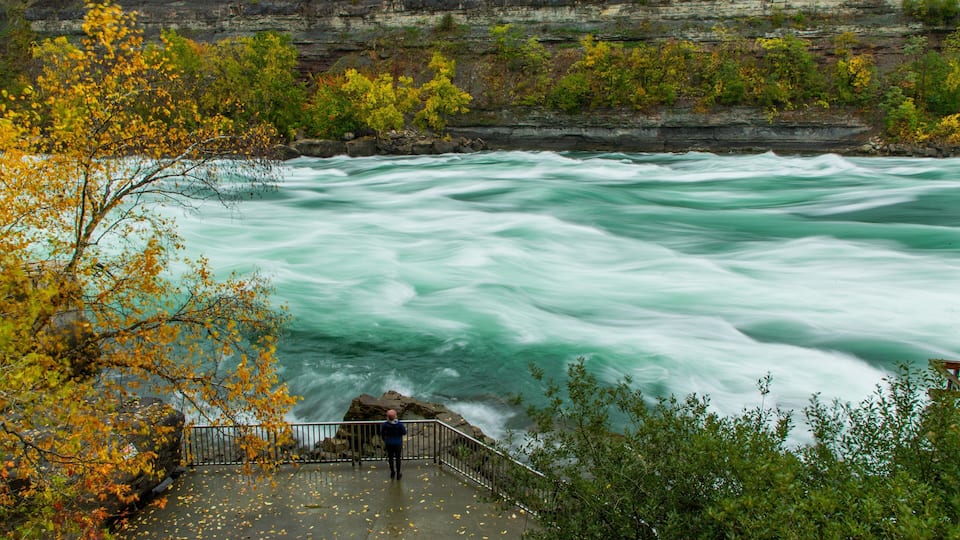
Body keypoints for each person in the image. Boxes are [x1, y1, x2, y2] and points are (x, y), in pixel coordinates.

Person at [380, 409, 406, 479]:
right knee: (398, 458)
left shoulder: (385, 424)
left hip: (389, 443)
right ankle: (398, 474)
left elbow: (382, 433)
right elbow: (404, 432)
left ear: (388, 417)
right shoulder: (399, 424)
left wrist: (385, 440)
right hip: (398, 443)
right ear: (395, 416)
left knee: (390, 458)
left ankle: (392, 472)